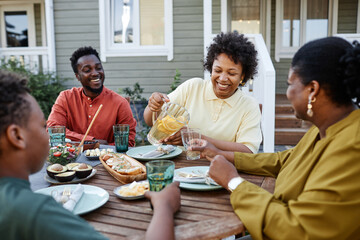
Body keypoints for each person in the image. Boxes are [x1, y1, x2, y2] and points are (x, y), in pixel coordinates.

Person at [191, 37, 360, 240]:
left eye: (290, 84)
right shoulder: (325, 129)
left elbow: (298, 230)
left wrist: (233, 182)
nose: (287, 93)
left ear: (312, 90)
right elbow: (283, 160)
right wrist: (222, 155)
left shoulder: (352, 147)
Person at [0, 70, 181, 240]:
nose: (47, 133)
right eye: (41, 126)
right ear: (17, 136)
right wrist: (164, 206)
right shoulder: (32, 211)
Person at [144, 32, 262, 153]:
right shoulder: (193, 87)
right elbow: (150, 121)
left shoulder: (248, 106)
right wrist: (154, 106)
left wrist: (199, 138)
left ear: (243, 76)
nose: (222, 78)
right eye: (217, 70)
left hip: (221, 168)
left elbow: (248, 151)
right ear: (211, 68)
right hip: (182, 166)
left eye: (231, 73)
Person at [47, 46, 136, 145]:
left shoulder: (119, 103)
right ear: (78, 76)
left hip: (107, 159)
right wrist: (92, 141)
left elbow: (128, 142)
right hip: (72, 159)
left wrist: (99, 147)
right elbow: (54, 130)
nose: (95, 73)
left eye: (98, 68)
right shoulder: (66, 98)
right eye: (87, 70)